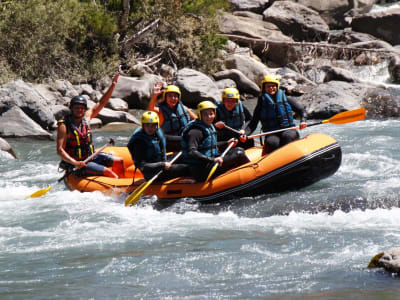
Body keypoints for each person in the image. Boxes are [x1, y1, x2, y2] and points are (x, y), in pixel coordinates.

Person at [57, 72, 124, 178]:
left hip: (90, 157)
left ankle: (122, 184)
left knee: (119, 161)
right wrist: (75, 163)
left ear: (84, 109)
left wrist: (113, 84)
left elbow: (102, 102)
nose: (79, 110)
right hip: (77, 163)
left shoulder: (86, 118)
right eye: (76, 108)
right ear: (72, 109)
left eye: (82, 108)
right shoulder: (64, 125)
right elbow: (60, 150)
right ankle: (117, 190)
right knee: (108, 172)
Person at [181, 101, 250, 182]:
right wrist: (212, 160)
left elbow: (210, 145)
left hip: (209, 163)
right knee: (239, 153)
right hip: (202, 170)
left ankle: (242, 173)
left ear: (215, 114)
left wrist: (226, 143)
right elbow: (192, 152)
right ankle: (250, 173)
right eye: (205, 114)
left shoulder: (208, 126)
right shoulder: (195, 131)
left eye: (211, 114)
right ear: (200, 115)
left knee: (237, 149)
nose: (209, 117)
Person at [244, 74, 307, 155]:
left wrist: (303, 121)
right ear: (264, 88)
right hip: (272, 133)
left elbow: (302, 110)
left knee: (287, 136)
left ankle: (290, 156)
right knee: (272, 142)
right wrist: (245, 134)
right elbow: (253, 123)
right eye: (268, 86)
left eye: (273, 86)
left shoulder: (286, 98)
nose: (271, 88)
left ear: (277, 86)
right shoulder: (261, 104)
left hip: (288, 130)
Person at [127, 111, 190, 182]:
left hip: (160, 163)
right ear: (143, 125)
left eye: (153, 125)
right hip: (152, 173)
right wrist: (162, 165)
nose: (150, 128)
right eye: (147, 125)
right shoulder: (138, 142)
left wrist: (185, 138)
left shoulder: (156, 132)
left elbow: (166, 138)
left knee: (187, 155)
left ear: (156, 125)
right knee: (186, 168)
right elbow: (142, 166)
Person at [147, 83, 197, 152]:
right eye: (170, 96)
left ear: (178, 98)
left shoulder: (183, 108)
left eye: (175, 96)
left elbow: (197, 120)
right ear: (165, 98)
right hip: (168, 142)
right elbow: (150, 111)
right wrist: (154, 96)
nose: (173, 98)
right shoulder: (161, 111)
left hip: (183, 140)